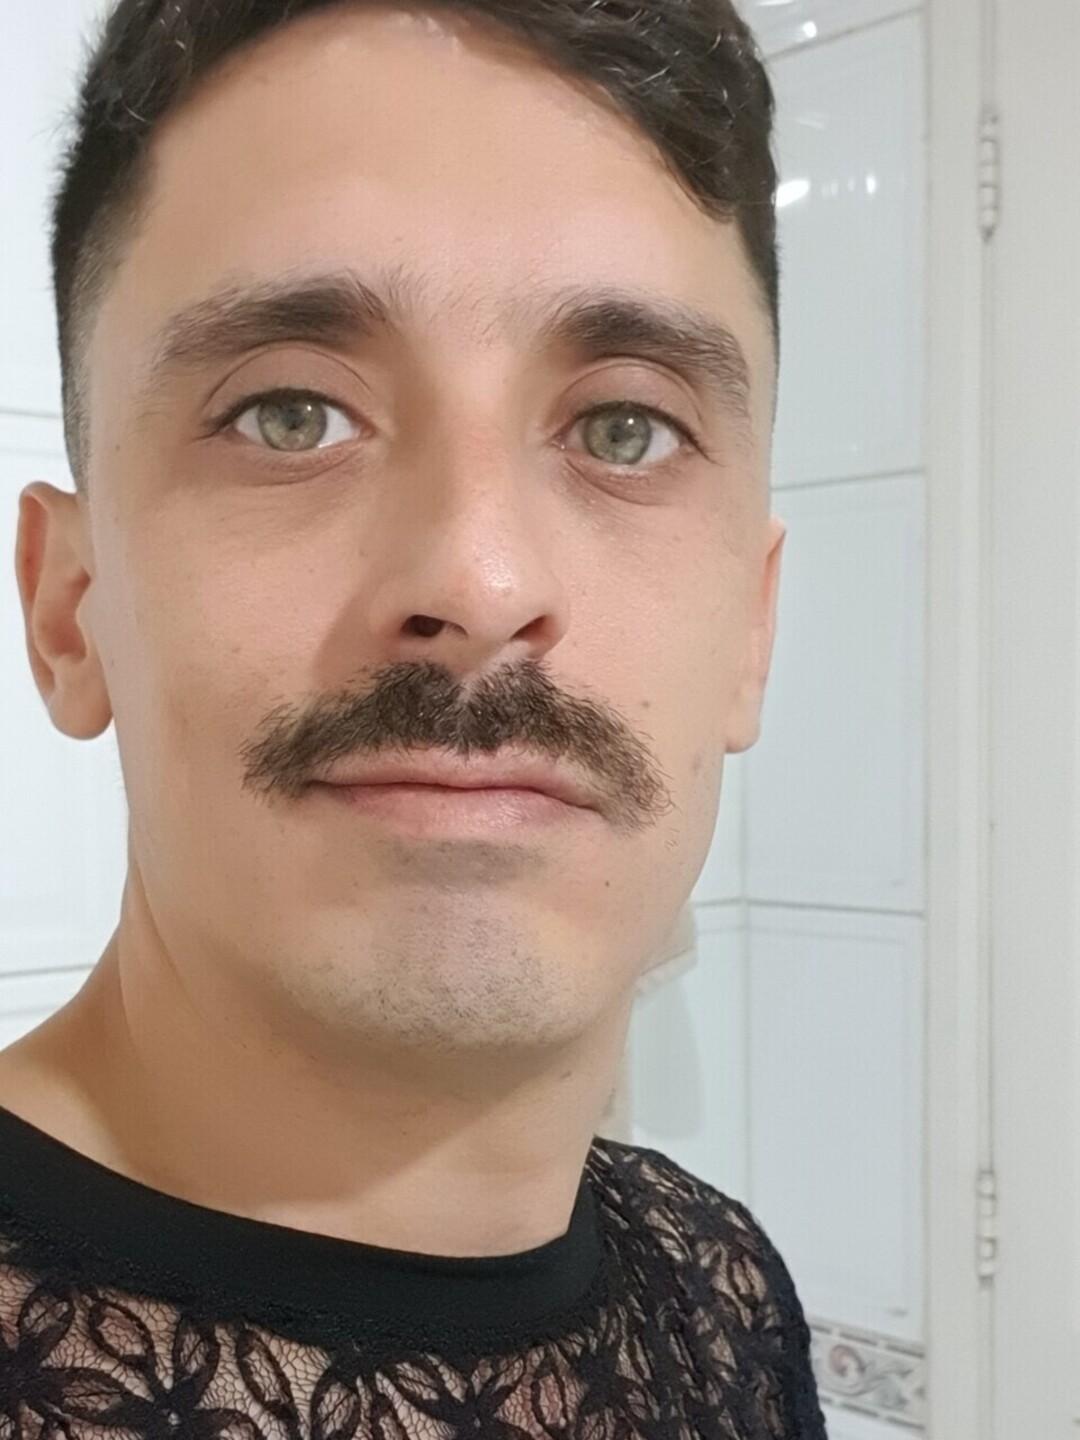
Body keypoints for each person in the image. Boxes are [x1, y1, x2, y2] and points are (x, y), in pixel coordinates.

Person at [4, 0, 822, 1435]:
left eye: (624, 428)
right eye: (291, 414)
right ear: (71, 612)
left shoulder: (723, 1289)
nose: (479, 580)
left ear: (750, 633)